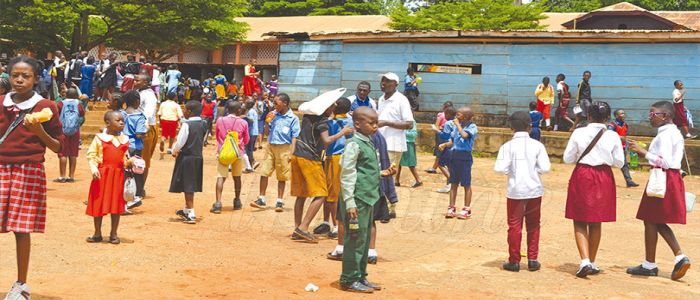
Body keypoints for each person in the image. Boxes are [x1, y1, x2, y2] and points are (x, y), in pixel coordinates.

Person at [0, 56, 63, 300]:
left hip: (28, 170)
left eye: (25, 76)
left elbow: (58, 146)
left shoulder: (46, 106)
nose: (19, 80)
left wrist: (39, 131)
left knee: (20, 229)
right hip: (1, 167)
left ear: (36, 79)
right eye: (15, 75)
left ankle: (21, 284)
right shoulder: (1, 103)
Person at [625, 100, 691, 280]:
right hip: (667, 178)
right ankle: (669, 259)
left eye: (653, 114)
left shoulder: (666, 135)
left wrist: (644, 152)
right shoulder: (671, 133)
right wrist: (645, 152)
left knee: (651, 219)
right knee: (653, 219)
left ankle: (659, 261)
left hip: (663, 178)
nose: (650, 118)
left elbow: (668, 162)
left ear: (666, 115)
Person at [563, 101, 624, 278]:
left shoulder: (579, 132)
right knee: (596, 220)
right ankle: (593, 261)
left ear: (588, 116)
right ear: (607, 118)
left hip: (583, 174)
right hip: (604, 176)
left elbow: (568, 158)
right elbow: (619, 162)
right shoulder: (612, 136)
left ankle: (584, 261)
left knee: (579, 219)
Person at [339, 107, 393, 293]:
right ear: (357, 124)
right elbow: (347, 173)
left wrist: (383, 172)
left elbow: (365, 169)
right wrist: (350, 201)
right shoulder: (353, 144)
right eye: (371, 123)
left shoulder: (368, 141)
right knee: (354, 239)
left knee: (364, 238)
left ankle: (361, 276)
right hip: (357, 199)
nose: (376, 126)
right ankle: (348, 278)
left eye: (376, 122)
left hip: (369, 198)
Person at [495, 111, 551, 272]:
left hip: (516, 190)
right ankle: (533, 259)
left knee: (514, 226)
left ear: (511, 127)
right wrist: (535, 170)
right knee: (534, 225)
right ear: (530, 127)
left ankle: (514, 261)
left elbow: (499, 168)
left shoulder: (507, 147)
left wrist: (510, 171)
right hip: (534, 189)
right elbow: (545, 168)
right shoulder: (537, 145)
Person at [290, 101, 351, 243]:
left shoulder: (307, 117)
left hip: (298, 155)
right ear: (326, 108)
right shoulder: (322, 122)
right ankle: (303, 228)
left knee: (301, 195)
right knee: (321, 194)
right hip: (310, 158)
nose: (334, 108)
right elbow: (326, 140)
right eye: (332, 106)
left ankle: (297, 227)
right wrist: (342, 132)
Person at [86, 111, 131, 245]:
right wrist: (94, 169)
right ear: (108, 123)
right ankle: (97, 233)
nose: (122, 122)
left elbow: (124, 158)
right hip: (102, 175)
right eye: (118, 120)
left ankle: (113, 233)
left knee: (116, 204)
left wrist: (130, 162)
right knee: (98, 203)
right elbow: (91, 155)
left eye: (123, 120)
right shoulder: (99, 138)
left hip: (118, 175)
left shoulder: (125, 140)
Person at [251, 93, 300, 211]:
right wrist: (267, 122)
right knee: (264, 172)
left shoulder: (293, 118)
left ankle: (279, 201)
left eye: (276, 103)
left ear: (285, 103)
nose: (274, 105)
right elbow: (267, 133)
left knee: (282, 175)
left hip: (285, 148)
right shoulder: (274, 115)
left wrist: (291, 153)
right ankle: (261, 198)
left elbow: (294, 137)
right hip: (271, 146)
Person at [377, 72, 414, 219]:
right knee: (379, 175)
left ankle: (389, 208)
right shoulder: (381, 99)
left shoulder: (401, 100)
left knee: (388, 176)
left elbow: (409, 124)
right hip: (380, 142)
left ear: (395, 85)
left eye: (387, 81)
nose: (383, 83)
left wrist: (386, 122)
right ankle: (382, 206)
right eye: (382, 80)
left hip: (393, 144)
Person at [316, 98, 354, 238]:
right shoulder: (350, 122)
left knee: (331, 193)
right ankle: (328, 223)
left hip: (334, 158)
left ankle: (336, 225)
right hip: (345, 158)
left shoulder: (329, 123)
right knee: (332, 191)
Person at [170, 101, 206, 224]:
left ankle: (191, 213)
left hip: (187, 157)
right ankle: (186, 210)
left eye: (184, 109)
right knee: (190, 184)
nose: (183, 112)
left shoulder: (187, 125)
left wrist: (174, 151)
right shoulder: (203, 124)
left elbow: (181, 141)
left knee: (188, 185)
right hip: (197, 156)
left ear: (189, 112)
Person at [439, 106, 478, 219]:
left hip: (465, 157)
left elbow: (465, 136)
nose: (456, 116)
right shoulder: (457, 127)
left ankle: (466, 209)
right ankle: (451, 207)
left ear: (465, 117)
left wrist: (457, 125)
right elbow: (453, 140)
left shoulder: (472, 127)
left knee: (466, 183)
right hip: (454, 156)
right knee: (453, 182)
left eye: (459, 114)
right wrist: (445, 144)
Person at [211, 101, 249, 213]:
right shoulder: (243, 122)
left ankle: (218, 203)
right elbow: (246, 140)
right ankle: (237, 201)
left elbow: (217, 136)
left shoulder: (220, 120)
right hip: (238, 153)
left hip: (223, 152)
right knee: (237, 177)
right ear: (238, 111)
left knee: (221, 177)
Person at [120, 90, 147, 211]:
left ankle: (124, 200)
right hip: (134, 147)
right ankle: (134, 197)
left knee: (124, 172)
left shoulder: (121, 114)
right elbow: (139, 134)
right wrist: (145, 134)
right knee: (136, 173)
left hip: (123, 144)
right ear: (137, 101)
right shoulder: (139, 116)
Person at [53, 88, 85, 183]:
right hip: (75, 131)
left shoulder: (61, 103)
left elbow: (56, 115)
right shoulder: (78, 104)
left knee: (63, 153)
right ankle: (71, 176)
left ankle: (62, 176)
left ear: (66, 95)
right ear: (76, 95)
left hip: (63, 130)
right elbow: (82, 114)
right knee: (73, 154)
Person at [135, 74, 159, 195]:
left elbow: (148, 114)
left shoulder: (149, 95)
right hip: (138, 128)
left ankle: (139, 189)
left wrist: (142, 130)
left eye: (137, 80)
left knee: (143, 160)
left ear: (145, 82)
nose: (135, 82)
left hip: (145, 130)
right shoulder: (139, 92)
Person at [608, 109, 639, 187]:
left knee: (624, 164)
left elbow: (625, 136)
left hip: (622, 147)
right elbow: (608, 135)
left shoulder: (625, 125)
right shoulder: (612, 125)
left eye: (624, 113)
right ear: (616, 116)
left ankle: (629, 180)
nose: (623, 115)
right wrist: (620, 138)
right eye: (621, 114)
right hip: (613, 147)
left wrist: (627, 144)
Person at [431, 105, 456, 194]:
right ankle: (448, 185)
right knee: (449, 166)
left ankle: (450, 179)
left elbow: (445, 135)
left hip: (448, 146)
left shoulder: (448, 123)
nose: (444, 115)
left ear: (448, 114)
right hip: (455, 147)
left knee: (440, 164)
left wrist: (436, 130)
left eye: (445, 113)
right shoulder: (456, 122)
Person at [426, 101, 453, 174]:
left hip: (441, 136)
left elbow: (437, 125)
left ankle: (435, 168)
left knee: (439, 153)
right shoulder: (455, 120)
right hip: (450, 140)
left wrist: (437, 130)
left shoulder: (441, 115)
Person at [396, 121, 422, 187]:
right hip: (400, 143)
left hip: (408, 143)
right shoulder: (401, 120)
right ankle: (396, 180)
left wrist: (402, 131)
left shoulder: (412, 121)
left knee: (410, 163)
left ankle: (418, 180)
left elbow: (413, 134)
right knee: (398, 162)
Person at [244, 99, 260, 172]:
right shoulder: (253, 111)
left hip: (251, 132)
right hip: (254, 132)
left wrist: (244, 117)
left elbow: (251, 120)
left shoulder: (250, 111)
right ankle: (250, 167)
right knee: (249, 149)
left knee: (248, 149)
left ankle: (254, 161)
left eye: (246, 103)